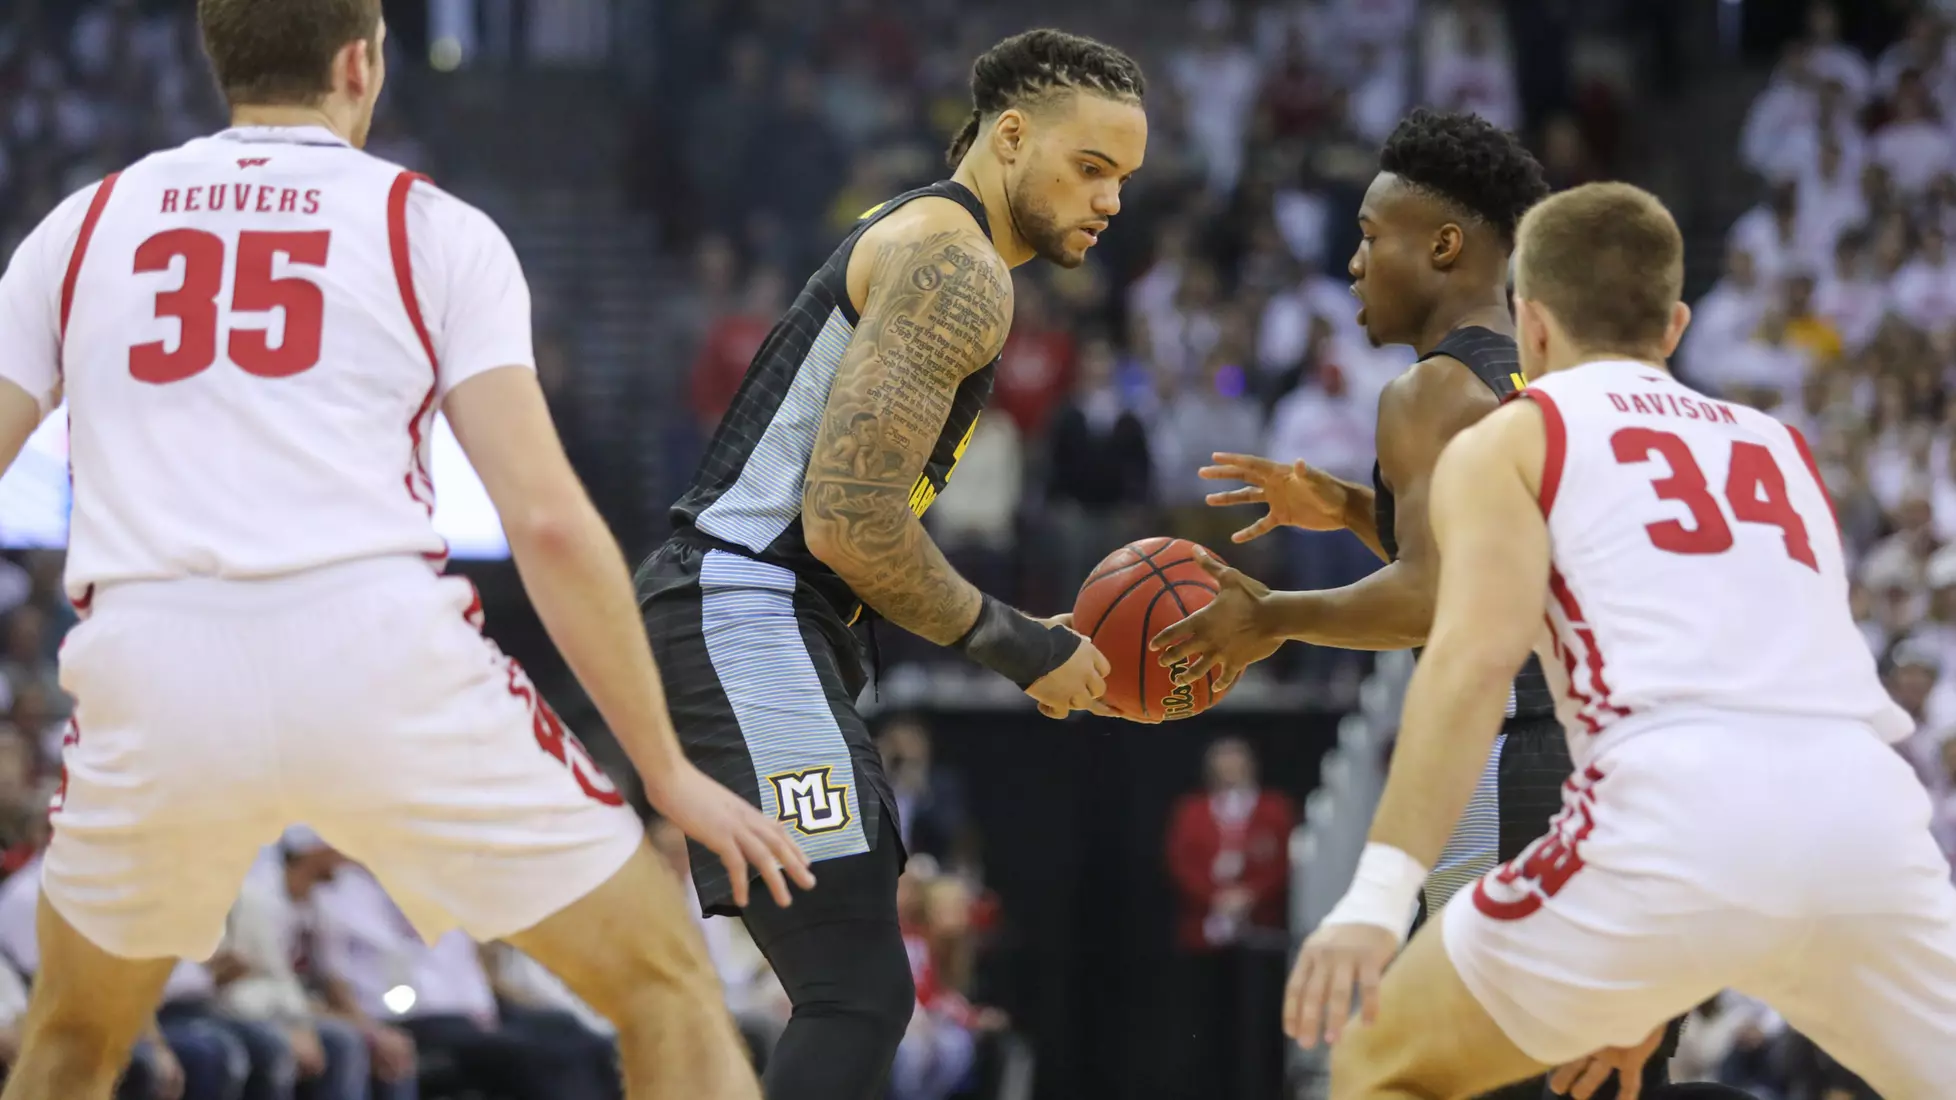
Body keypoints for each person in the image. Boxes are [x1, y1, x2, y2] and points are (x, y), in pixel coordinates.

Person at [0, 2, 818, 1098]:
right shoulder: (428, 226)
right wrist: (665, 772)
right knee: (665, 980)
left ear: (218, 58)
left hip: (154, 663)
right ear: (360, 61)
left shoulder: (83, 224)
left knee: (70, 1039)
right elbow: (547, 522)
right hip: (373, 652)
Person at [1285, 181, 1956, 1099]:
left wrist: (1375, 898)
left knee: (1378, 1061)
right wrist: (1649, 981)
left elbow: (1472, 662)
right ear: (1676, 326)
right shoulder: (1781, 446)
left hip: (1670, 820)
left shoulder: (1515, 436)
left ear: (1531, 324)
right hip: (1866, 824)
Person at [636, 28, 1144, 1100]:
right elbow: (848, 521)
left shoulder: (930, 238)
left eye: (1124, 179)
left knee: (854, 981)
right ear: (1012, 138)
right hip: (742, 607)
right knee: (856, 989)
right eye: (1092, 166)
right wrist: (1023, 646)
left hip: (758, 615)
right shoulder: (956, 265)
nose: (1110, 201)